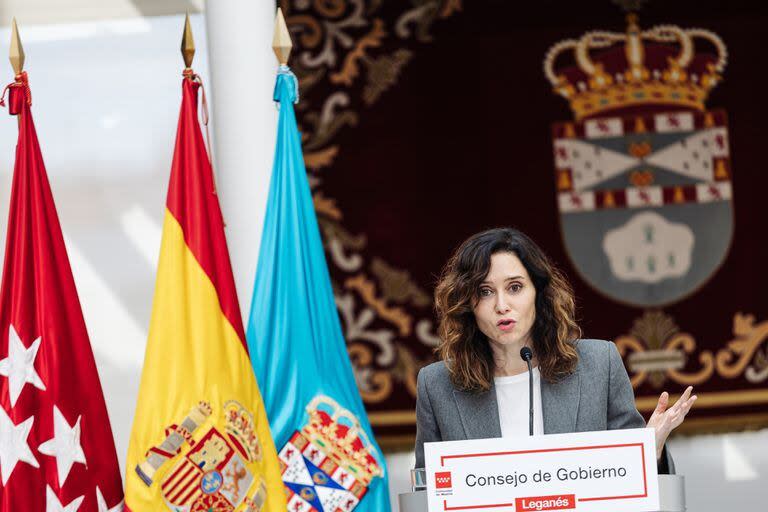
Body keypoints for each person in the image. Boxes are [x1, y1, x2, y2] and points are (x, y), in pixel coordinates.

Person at [414, 227, 696, 471]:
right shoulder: (436, 386)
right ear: (467, 303)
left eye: (514, 287)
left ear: (538, 293)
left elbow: (633, 480)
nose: (501, 305)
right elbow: (426, 493)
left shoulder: (599, 365)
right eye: (485, 291)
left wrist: (651, 450)